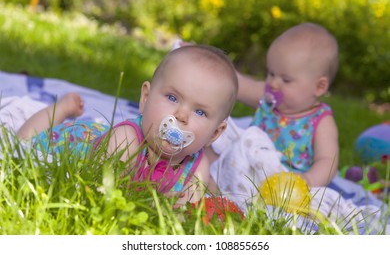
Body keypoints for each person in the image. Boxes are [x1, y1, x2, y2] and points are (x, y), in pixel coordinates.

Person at [17, 45, 239, 205]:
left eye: (199, 112)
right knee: (23, 143)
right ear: (145, 98)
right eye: (172, 98)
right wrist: (158, 205)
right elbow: (105, 194)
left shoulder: (197, 169)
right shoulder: (126, 140)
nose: (181, 115)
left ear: (214, 134)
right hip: (76, 143)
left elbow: (190, 214)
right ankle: (62, 109)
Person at [225, 22, 340, 188]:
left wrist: (307, 181)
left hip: (286, 183)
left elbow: (327, 161)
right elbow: (239, 85)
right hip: (247, 169)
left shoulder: (321, 121)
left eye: (285, 80)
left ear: (319, 87)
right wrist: (211, 64)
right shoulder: (267, 97)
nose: (274, 83)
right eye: (271, 74)